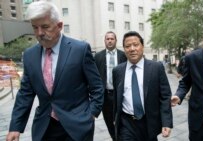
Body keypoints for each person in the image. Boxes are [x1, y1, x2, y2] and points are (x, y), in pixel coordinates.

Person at [6, 1, 104, 141]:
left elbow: (97, 87)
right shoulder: (29, 55)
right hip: (45, 127)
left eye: (45, 27)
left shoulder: (80, 50)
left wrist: (91, 115)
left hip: (78, 127)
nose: (39, 33)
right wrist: (15, 126)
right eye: (35, 27)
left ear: (59, 26)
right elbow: (25, 93)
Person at [113, 31, 173, 141]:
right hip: (126, 123)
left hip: (149, 122)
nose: (132, 49)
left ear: (142, 46)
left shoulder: (156, 68)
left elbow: (165, 96)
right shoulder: (117, 71)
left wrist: (166, 122)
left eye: (135, 45)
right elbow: (116, 97)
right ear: (124, 49)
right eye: (127, 46)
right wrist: (115, 118)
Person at [94, 31, 127, 140]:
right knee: (109, 121)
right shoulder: (98, 56)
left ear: (116, 41)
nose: (109, 40)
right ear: (104, 41)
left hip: (121, 95)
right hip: (105, 96)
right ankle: (115, 138)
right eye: (107, 39)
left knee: (122, 120)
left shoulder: (123, 55)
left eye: (112, 38)